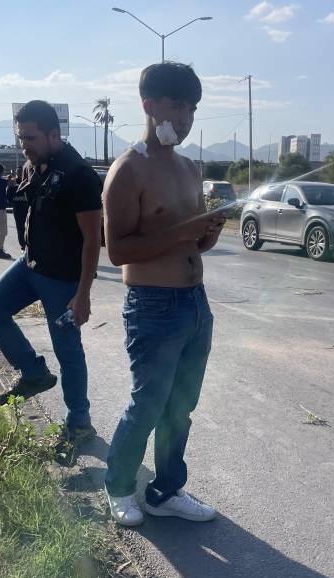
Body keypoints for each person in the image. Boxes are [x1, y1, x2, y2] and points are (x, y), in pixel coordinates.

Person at [101, 62, 227, 527]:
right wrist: (185, 232)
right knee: (148, 404)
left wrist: (208, 232)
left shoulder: (190, 168)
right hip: (152, 305)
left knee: (181, 407)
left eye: (193, 107)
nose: (187, 116)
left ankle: (165, 490)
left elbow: (194, 244)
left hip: (195, 303)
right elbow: (117, 251)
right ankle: (118, 487)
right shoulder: (128, 170)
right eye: (177, 105)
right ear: (149, 106)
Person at [0, 100, 102, 443]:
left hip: (62, 280)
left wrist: (84, 293)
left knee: (68, 351)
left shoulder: (79, 175)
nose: (24, 145)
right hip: (30, 264)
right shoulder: (36, 166)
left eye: (30, 137)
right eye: (20, 138)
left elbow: (93, 238)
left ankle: (79, 423)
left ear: (53, 134)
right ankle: (33, 373)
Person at [7, 167, 29, 251]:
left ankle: (30, 245)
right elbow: (9, 199)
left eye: (21, 172)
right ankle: (23, 246)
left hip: (28, 209)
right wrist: (22, 199)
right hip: (18, 209)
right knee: (20, 228)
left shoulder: (28, 181)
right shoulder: (12, 183)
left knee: (30, 228)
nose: (19, 174)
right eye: (18, 172)